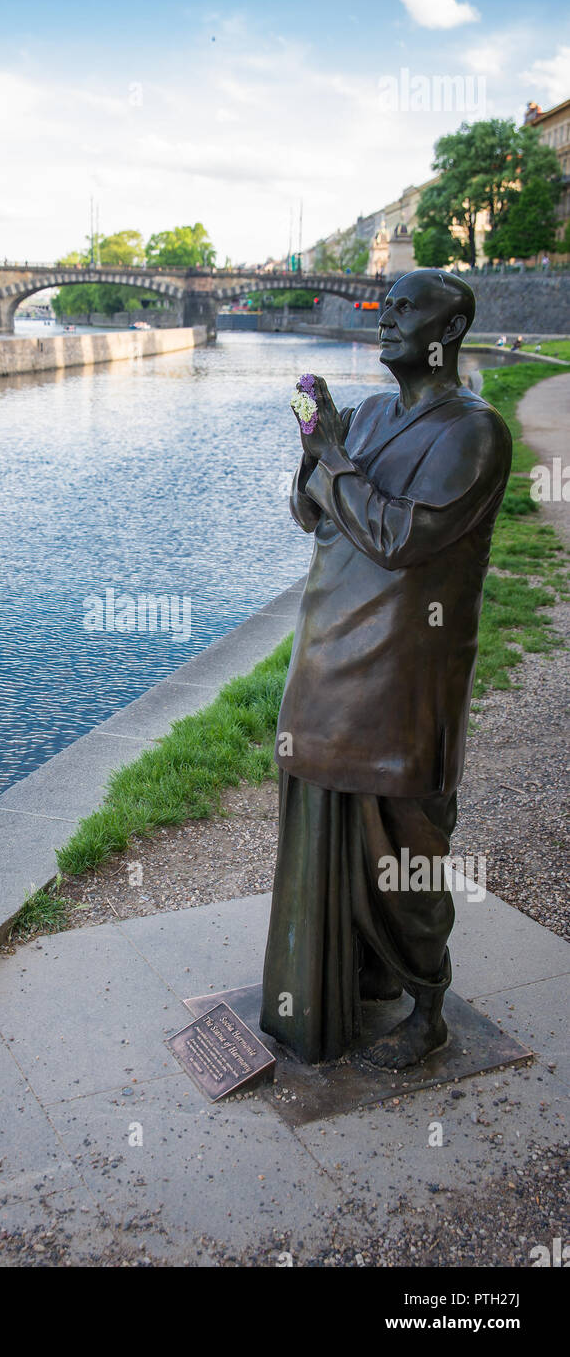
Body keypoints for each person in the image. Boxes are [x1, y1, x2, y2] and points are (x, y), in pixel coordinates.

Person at [261, 269, 512, 1070]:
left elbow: (399, 539)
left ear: (452, 328)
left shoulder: (472, 432)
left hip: (402, 677)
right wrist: (311, 453)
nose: (386, 317)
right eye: (386, 304)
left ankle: (426, 1004)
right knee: (334, 827)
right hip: (329, 657)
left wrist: (332, 460)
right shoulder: (366, 417)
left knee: (403, 852)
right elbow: (313, 515)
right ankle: (355, 974)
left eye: (407, 308)